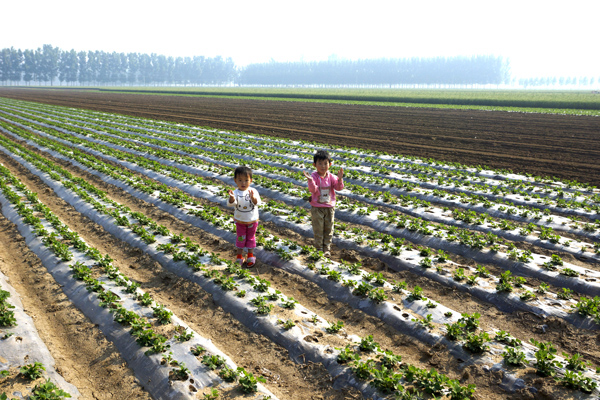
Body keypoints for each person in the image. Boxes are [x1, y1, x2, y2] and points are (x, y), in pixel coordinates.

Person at [303, 150, 344, 258]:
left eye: (325, 163)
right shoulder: (314, 176)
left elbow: (338, 188)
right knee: (318, 228)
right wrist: (310, 181)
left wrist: (340, 179)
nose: (323, 166)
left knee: (329, 228)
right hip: (317, 207)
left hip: (329, 207)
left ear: (329, 165)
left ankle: (326, 248)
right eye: (320, 163)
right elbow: (313, 190)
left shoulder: (331, 177)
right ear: (314, 165)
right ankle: (319, 248)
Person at [227, 166, 261, 266]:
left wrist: (253, 198)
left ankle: (250, 255)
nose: (243, 183)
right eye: (240, 180)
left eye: (246, 180)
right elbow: (231, 204)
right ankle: (239, 256)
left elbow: (257, 203)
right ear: (235, 180)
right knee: (240, 238)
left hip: (252, 220)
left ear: (251, 180)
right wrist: (232, 198)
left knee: (251, 238)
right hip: (240, 221)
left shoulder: (253, 191)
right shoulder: (235, 193)